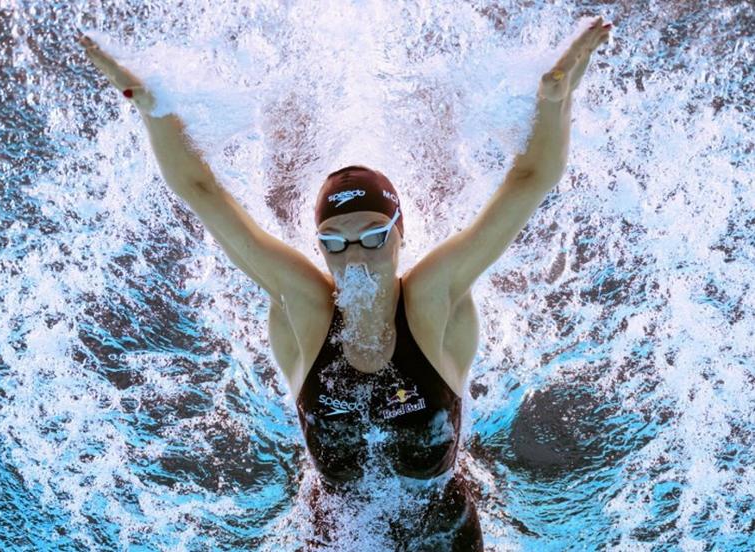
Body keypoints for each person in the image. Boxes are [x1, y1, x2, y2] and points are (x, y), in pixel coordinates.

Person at [78, 15, 613, 550]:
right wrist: (154, 108)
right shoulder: (306, 309)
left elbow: (528, 181)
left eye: (373, 236)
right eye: (334, 242)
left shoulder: (431, 300)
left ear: (400, 231)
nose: (354, 255)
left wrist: (554, 96)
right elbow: (203, 192)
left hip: (445, 535)